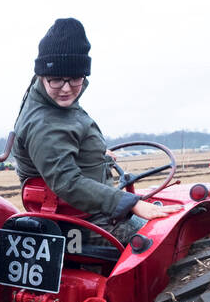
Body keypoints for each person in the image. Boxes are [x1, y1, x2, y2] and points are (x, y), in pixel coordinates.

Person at [13, 18, 177, 242]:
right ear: (42, 75)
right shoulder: (45, 123)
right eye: (56, 80)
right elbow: (67, 182)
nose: (66, 88)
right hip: (87, 223)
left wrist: (95, 156)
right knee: (169, 238)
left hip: (80, 212)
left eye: (75, 79)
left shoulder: (50, 100)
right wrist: (129, 202)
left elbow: (63, 143)